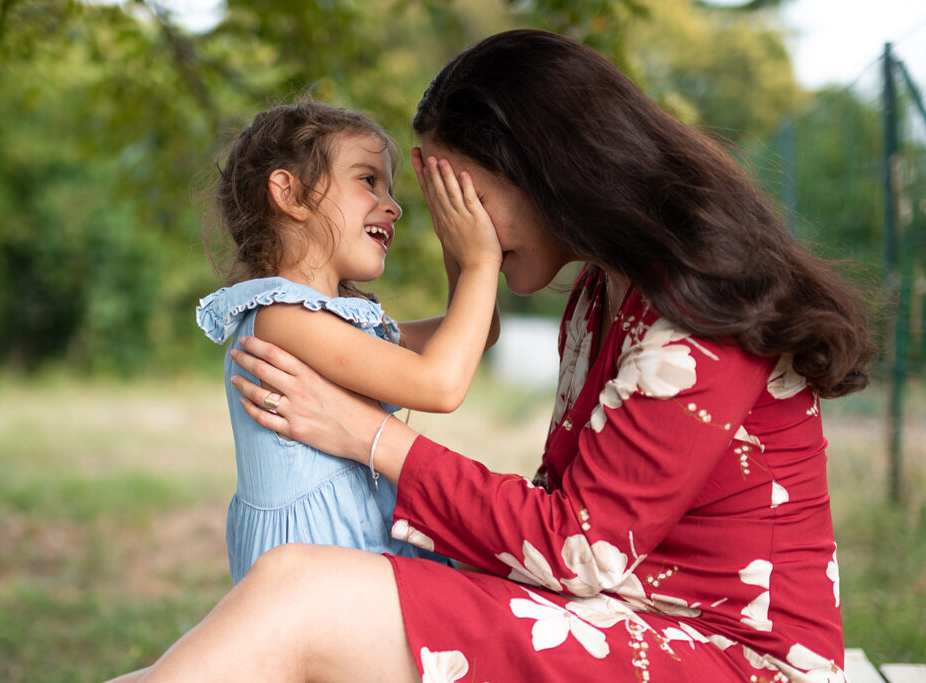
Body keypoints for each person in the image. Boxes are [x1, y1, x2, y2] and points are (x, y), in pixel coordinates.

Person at [109, 29, 874, 682]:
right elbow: (565, 529)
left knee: (299, 591)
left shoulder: (700, 306)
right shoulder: (601, 301)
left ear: (547, 170)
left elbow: (578, 547)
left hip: (737, 661)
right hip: (624, 621)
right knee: (289, 600)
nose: (454, 230)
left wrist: (367, 436)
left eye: (463, 199)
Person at [194, 102, 501, 582]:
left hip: (357, 557)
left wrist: (456, 244)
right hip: (309, 578)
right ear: (290, 194)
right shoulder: (281, 317)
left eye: (390, 189)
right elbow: (440, 385)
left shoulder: (341, 325)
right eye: (368, 180)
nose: (394, 206)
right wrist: (481, 262)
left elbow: (476, 332)